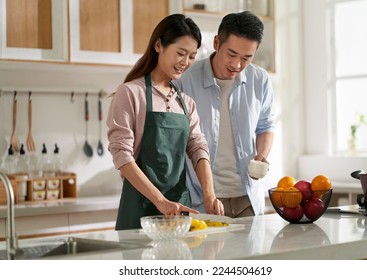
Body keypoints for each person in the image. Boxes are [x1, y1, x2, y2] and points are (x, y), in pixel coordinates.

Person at [106, 14, 224, 230]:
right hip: (140, 211)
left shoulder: (186, 102)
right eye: (180, 53)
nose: (185, 63)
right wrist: (160, 202)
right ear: (159, 45)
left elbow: (198, 148)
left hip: (179, 211)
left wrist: (209, 195)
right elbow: (121, 155)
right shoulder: (131, 93)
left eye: (191, 56)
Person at [173, 11, 275, 218]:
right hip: (201, 200)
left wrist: (262, 156)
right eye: (231, 54)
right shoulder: (185, 80)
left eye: (247, 58)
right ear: (217, 42)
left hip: (248, 197)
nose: (237, 65)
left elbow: (265, 126)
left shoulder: (259, 79)